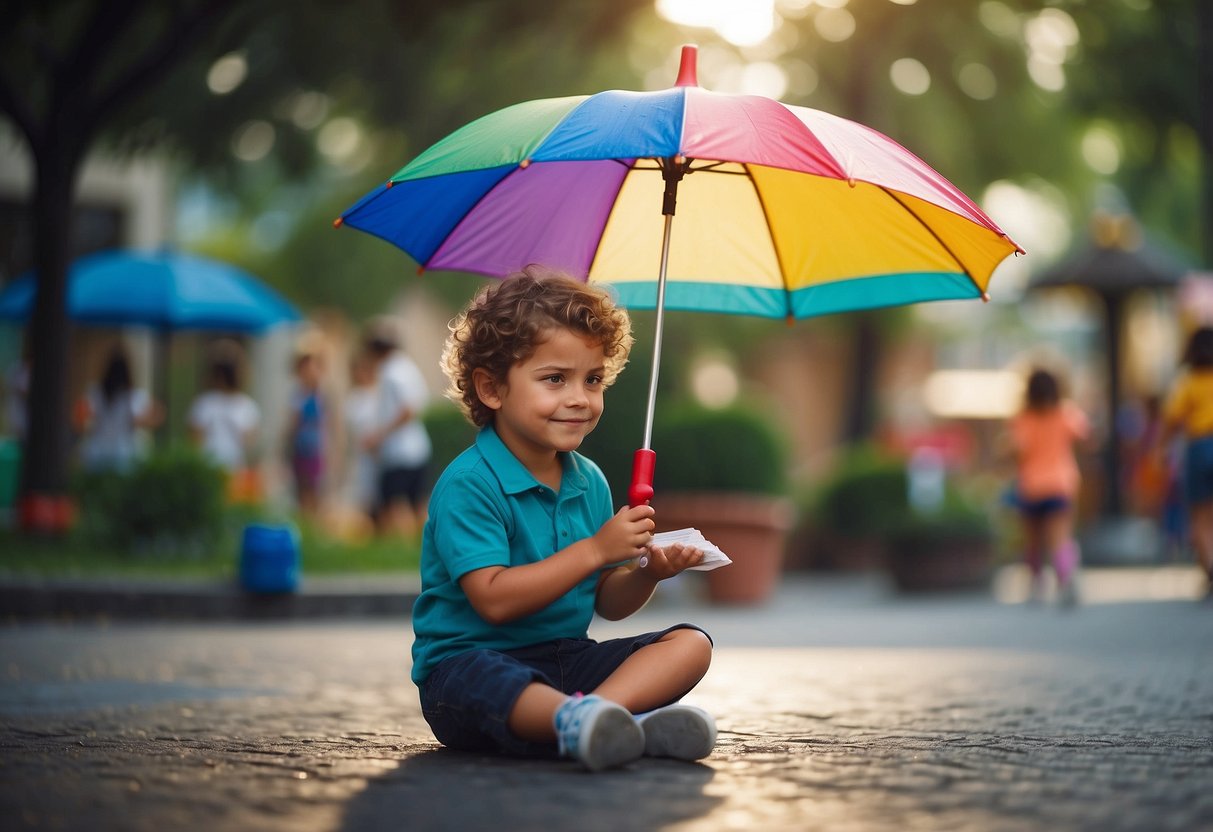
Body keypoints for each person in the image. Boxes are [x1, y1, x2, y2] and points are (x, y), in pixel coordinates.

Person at [412, 267, 717, 772]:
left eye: (593, 379)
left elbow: (606, 603)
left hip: (566, 661)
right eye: (555, 379)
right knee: (484, 678)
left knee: (691, 644)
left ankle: (599, 720)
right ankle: (600, 722)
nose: (580, 398)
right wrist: (596, 549)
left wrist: (648, 573)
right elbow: (493, 600)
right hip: (471, 669)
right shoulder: (471, 482)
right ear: (491, 388)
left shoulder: (588, 480)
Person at [1006, 367, 1091, 606]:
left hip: (1031, 485)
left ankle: (1036, 585)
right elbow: (1086, 438)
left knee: (1033, 540)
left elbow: (1016, 450)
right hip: (1061, 483)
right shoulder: (1066, 413)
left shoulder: (1023, 418)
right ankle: (1066, 579)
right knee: (1060, 538)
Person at [362, 316, 432, 536]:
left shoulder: (390, 372)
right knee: (418, 501)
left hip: (399, 451)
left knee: (394, 502)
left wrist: (380, 435)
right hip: (418, 447)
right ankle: (424, 544)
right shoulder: (408, 367)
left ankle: (400, 544)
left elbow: (407, 409)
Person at [1159, 326, 1213, 593]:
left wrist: (1160, 449)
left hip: (1200, 446)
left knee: (1200, 517)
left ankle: (1209, 568)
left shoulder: (1189, 381)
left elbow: (1172, 420)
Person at [75, 346, 163, 473]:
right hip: (125, 454)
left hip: (97, 452)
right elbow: (154, 416)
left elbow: (80, 415)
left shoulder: (96, 393)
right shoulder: (133, 397)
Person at [189, 340, 260, 488]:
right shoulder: (205, 403)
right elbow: (195, 440)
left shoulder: (245, 405)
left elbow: (249, 442)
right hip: (209, 467)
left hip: (234, 469)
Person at [285, 345, 331, 519]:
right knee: (302, 490)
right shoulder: (298, 395)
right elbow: (292, 424)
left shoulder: (322, 395)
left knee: (316, 491)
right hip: (301, 449)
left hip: (317, 449)